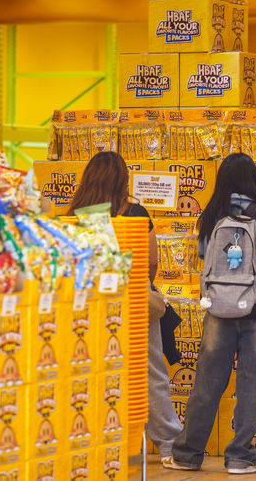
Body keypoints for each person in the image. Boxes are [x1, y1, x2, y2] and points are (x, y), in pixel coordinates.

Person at [168, 153, 256, 474]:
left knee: (207, 382)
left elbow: (203, 255)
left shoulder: (211, 215)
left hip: (218, 309)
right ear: (254, 180)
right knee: (253, 384)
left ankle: (187, 454)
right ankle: (240, 457)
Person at [70, 151, 183, 463]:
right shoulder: (135, 212)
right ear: (122, 179)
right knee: (150, 373)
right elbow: (152, 260)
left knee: (93, 369)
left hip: (90, 301)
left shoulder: (76, 214)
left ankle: (96, 439)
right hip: (133, 300)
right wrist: (142, 286)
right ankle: (170, 444)